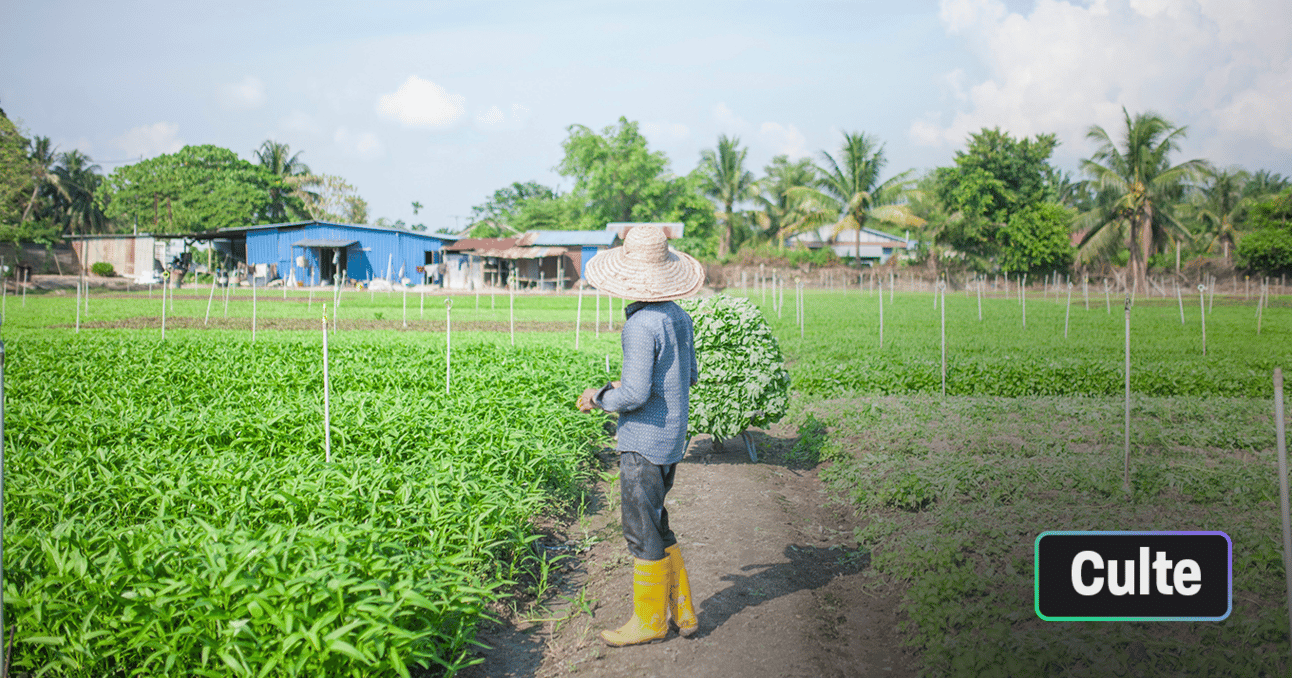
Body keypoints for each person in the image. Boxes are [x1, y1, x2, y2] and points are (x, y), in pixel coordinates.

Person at [577, 225, 705, 646]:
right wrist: (621, 388)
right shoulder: (678, 317)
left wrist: (598, 397)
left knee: (640, 529)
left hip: (643, 446)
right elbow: (686, 376)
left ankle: (650, 621)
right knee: (657, 522)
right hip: (670, 442)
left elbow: (634, 394)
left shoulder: (640, 325)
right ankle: (682, 610)